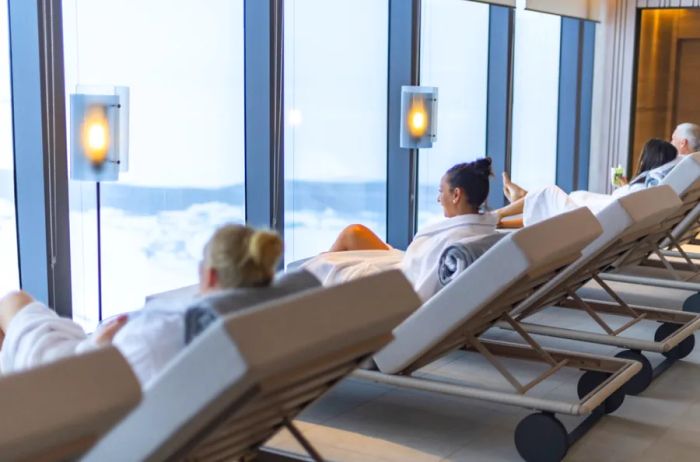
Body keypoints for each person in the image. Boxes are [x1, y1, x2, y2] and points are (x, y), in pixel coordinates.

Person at [0, 224, 283, 387]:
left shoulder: (167, 334)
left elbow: (92, 385)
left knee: (12, 301)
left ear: (210, 275)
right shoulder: (259, 322)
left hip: (71, 377)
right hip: (96, 365)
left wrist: (99, 348)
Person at [303, 158, 499, 301]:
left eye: (441, 191)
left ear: (456, 194)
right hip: (405, 267)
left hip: (398, 286)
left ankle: (307, 296)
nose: (439, 199)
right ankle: (310, 289)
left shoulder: (456, 242)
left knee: (327, 262)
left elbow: (418, 293)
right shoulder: (479, 232)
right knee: (355, 232)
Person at [497, 139, 679, 227]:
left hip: (593, 225)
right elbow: (630, 202)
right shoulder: (654, 189)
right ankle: (509, 213)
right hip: (600, 221)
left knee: (549, 192)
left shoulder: (644, 188)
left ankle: (499, 214)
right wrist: (626, 186)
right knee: (564, 201)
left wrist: (627, 188)